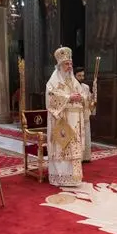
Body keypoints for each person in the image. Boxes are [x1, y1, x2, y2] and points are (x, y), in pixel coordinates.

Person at [46, 47, 86, 187]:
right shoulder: (53, 81)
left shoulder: (73, 81)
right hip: (61, 120)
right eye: (66, 64)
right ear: (59, 65)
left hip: (75, 120)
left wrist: (82, 98)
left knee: (73, 149)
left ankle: (74, 178)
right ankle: (60, 177)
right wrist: (69, 98)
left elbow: (82, 94)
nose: (69, 67)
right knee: (62, 148)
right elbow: (51, 98)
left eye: (70, 63)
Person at [74, 67, 96, 162]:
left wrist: (94, 95)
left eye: (83, 75)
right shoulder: (72, 86)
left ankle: (86, 157)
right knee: (78, 136)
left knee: (86, 135)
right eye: (79, 75)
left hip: (85, 114)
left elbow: (90, 100)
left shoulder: (86, 87)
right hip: (76, 115)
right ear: (75, 76)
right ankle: (78, 157)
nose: (81, 77)